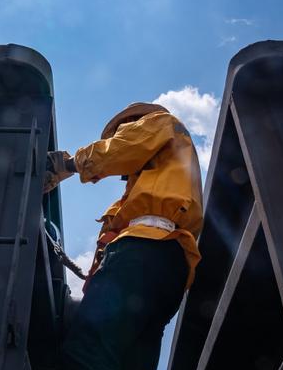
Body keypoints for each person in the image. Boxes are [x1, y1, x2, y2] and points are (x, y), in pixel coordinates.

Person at [45, 102, 203, 370]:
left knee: (87, 352)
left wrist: (67, 164)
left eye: (121, 131)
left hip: (143, 252)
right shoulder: (157, 181)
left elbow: (125, 147)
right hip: (171, 267)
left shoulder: (159, 123)